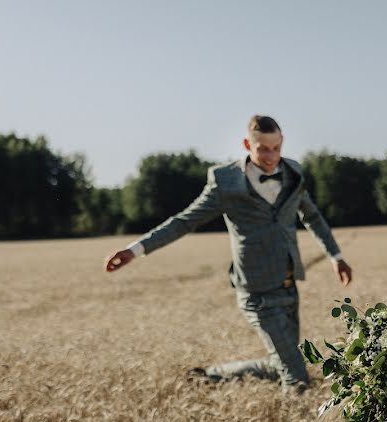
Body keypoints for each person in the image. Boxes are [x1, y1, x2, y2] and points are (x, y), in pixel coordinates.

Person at [105, 115, 353, 394]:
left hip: (289, 286)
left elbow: (313, 216)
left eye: (277, 148)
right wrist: (135, 249)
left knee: (280, 364)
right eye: (263, 149)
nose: (271, 157)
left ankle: (212, 375)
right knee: (296, 378)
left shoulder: (293, 173)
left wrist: (335, 255)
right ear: (248, 144)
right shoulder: (225, 182)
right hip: (257, 292)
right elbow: (184, 221)